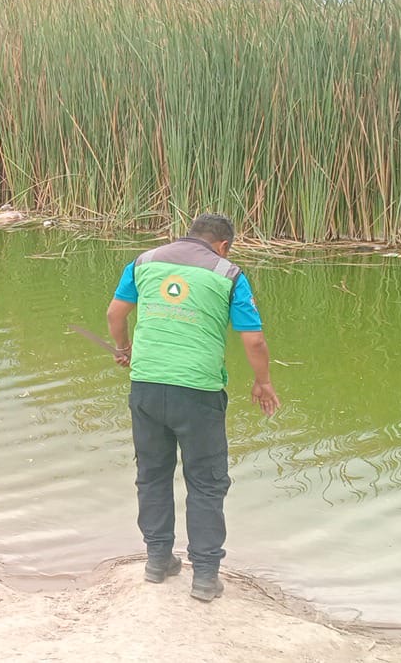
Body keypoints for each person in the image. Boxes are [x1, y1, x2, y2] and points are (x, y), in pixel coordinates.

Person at [105, 213, 282, 602]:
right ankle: (204, 576)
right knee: (206, 482)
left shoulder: (144, 262)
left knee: (152, 474)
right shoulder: (228, 273)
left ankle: (157, 561)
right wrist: (263, 382)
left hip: (146, 386)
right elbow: (253, 340)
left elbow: (115, 314)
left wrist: (123, 348)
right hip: (198, 392)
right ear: (223, 245)